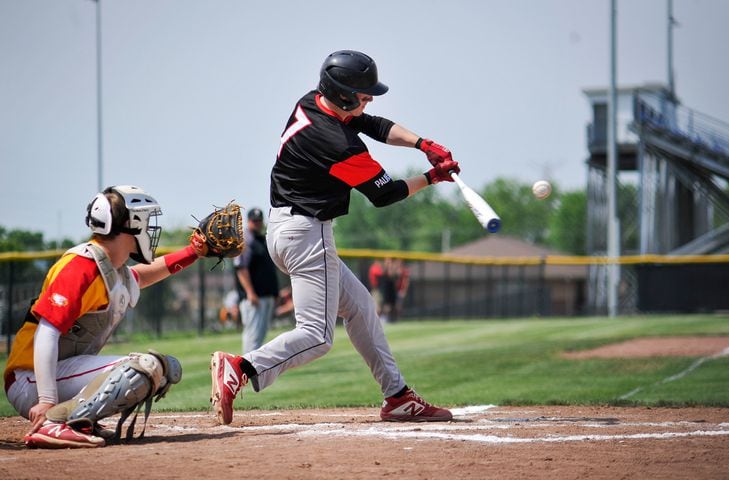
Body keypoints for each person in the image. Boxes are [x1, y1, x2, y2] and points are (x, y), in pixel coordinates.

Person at [210, 50, 458, 425]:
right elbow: (384, 194)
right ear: (342, 95)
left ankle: (397, 396)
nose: (369, 99)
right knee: (316, 335)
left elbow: (372, 124)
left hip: (288, 228)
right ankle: (240, 368)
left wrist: (423, 144)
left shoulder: (313, 101)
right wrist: (432, 178)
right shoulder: (336, 143)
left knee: (360, 307)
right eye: (362, 94)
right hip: (307, 234)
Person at [3, 185, 208, 448]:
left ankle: (78, 419)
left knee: (164, 367)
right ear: (128, 224)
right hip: (29, 378)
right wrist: (46, 400)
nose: (149, 228)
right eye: (144, 220)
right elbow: (47, 332)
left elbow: (143, 275)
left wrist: (193, 252)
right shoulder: (81, 266)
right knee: (144, 368)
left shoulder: (110, 267)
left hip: (56, 371)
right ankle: (52, 423)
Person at [234, 207, 279, 353]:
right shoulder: (246, 240)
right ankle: (246, 369)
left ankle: (254, 370)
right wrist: (250, 292)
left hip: (266, 295)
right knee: (252, 336)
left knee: (260, 337)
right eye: (254, 221)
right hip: (254, 297)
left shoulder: (260, 239)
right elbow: (241, 268)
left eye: (259, 221)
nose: (257, 223)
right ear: (248, 221)